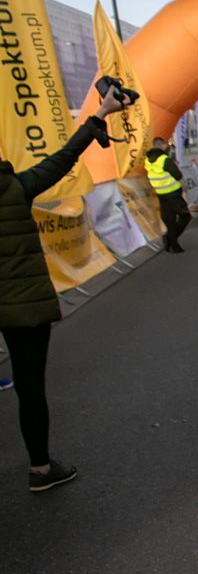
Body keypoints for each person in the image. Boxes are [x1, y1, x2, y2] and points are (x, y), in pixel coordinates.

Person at [0, 86, 130, 491]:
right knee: (30, 390)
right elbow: (62, 159)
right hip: (25, 307)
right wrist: (99, 115)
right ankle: (40, 469)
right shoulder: (14, 188)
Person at [145, 135, 192, 254]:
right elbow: (178, 175)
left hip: (161, 195)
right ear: (161, 145)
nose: (167, 146)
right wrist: (173, 164)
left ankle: (174, 246)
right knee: (185, 216)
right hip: (173, 193)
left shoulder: (148, 160)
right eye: (165, 144)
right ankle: (170, 239)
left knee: (170, 221)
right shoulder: (164, 160)